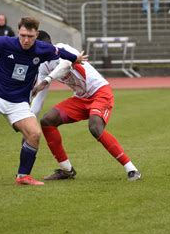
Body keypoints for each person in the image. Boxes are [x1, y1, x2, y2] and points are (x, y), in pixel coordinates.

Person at [0, 17, 87, 186]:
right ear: (18, 31)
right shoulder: (5, 43)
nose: (26, 40)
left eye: (30, 36)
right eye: (23, 35)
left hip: (18, 102)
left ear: (36, 34)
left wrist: (75, 58)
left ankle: (23, 176)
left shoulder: (43, 49)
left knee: (34, 134)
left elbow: (60, 52)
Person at [30, 31, 141, 181]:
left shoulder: (63, 48)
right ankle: (67, 170)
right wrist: (29, 120)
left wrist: (47, 80)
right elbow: (39, 97)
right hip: (81, 98)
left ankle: (132, 169)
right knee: (47, 120)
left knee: (95, 127)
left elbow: (66, 65)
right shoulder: (43, 66)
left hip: (100, 92)